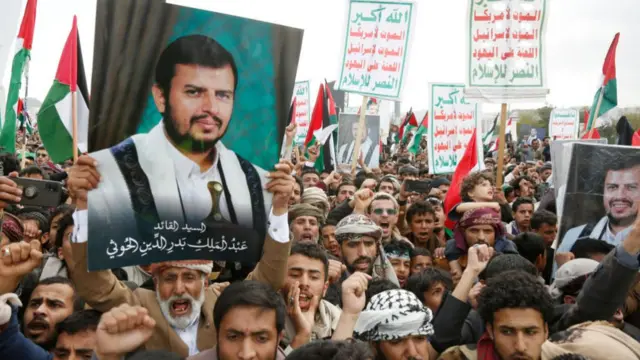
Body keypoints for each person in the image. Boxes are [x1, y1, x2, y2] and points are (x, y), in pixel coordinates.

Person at [81, 34, 273, 246]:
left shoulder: (255, 180)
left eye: (222, 95)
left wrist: (281, 209)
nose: (211, 107)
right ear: (161, 98)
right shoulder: (108, 171)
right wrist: (80, 203)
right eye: (194, 92)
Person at [558, 155, 640, 255]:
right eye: (612, 187)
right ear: (602, 192)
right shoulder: (574, 236)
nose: (620, 196)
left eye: (631, 187)